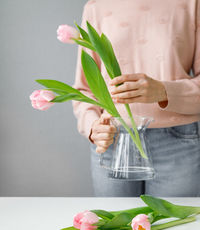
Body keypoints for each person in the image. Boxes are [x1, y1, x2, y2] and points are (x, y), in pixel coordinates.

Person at [72, 0, 200, 197]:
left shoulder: (192, 3)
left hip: (178, 143)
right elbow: (84, 89)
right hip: (113, 141)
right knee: (116, 227)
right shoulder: (97, 7)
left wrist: (164, 91)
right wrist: (93, 127)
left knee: (175, 227)